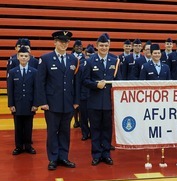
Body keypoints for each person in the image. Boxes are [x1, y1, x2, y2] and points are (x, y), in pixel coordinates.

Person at [36, 30, 80, 170]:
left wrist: (76, 100)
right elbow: (40, 82)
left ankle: (64, 157)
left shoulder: (73, 59)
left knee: (65, 132)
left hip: (68, 103)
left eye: (66, 42)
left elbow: (76, 82)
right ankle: (53, 158)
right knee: (52, 132)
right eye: (61, 41)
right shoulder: (46, 58)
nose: (64, 44)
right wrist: (42, 102)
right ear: (55, 42)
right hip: (52, 104)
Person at [82, 33, 122, 166]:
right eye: (101, 45)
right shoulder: (90, 61)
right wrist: (95, 85)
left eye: (106, 45)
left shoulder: (114, 61)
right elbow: (85, 81)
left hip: (109, 102)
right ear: (97, 46)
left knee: (107, 129)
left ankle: (106, 154)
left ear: (109, 45)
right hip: (94, 101)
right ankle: (96, 154)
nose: (104, 47)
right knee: (95, 129)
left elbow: (119, 81)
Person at [7, 46, 38, 155]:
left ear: (29, 58)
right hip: (17, 104)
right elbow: (10, 89)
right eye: (21, 56)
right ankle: (19, 146)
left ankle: (28, 145)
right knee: (18, 126)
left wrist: (35, 103)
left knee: (29, 126)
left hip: (30, 104)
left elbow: (36, 89)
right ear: (17, 57)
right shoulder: (12, 72)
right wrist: (11, 104)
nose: (24, 58)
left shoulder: (34, 72)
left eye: (26, 56)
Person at [71, 40, 85, 129]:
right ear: (73, 47)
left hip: (82, 84)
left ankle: (81, 121)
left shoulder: (85, 58)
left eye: (80, 46)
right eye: (77, 46)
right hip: (72, 83)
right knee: (74, 105)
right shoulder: (70, 57)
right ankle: (75, 121)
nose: (79, 47)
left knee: (81, 105)